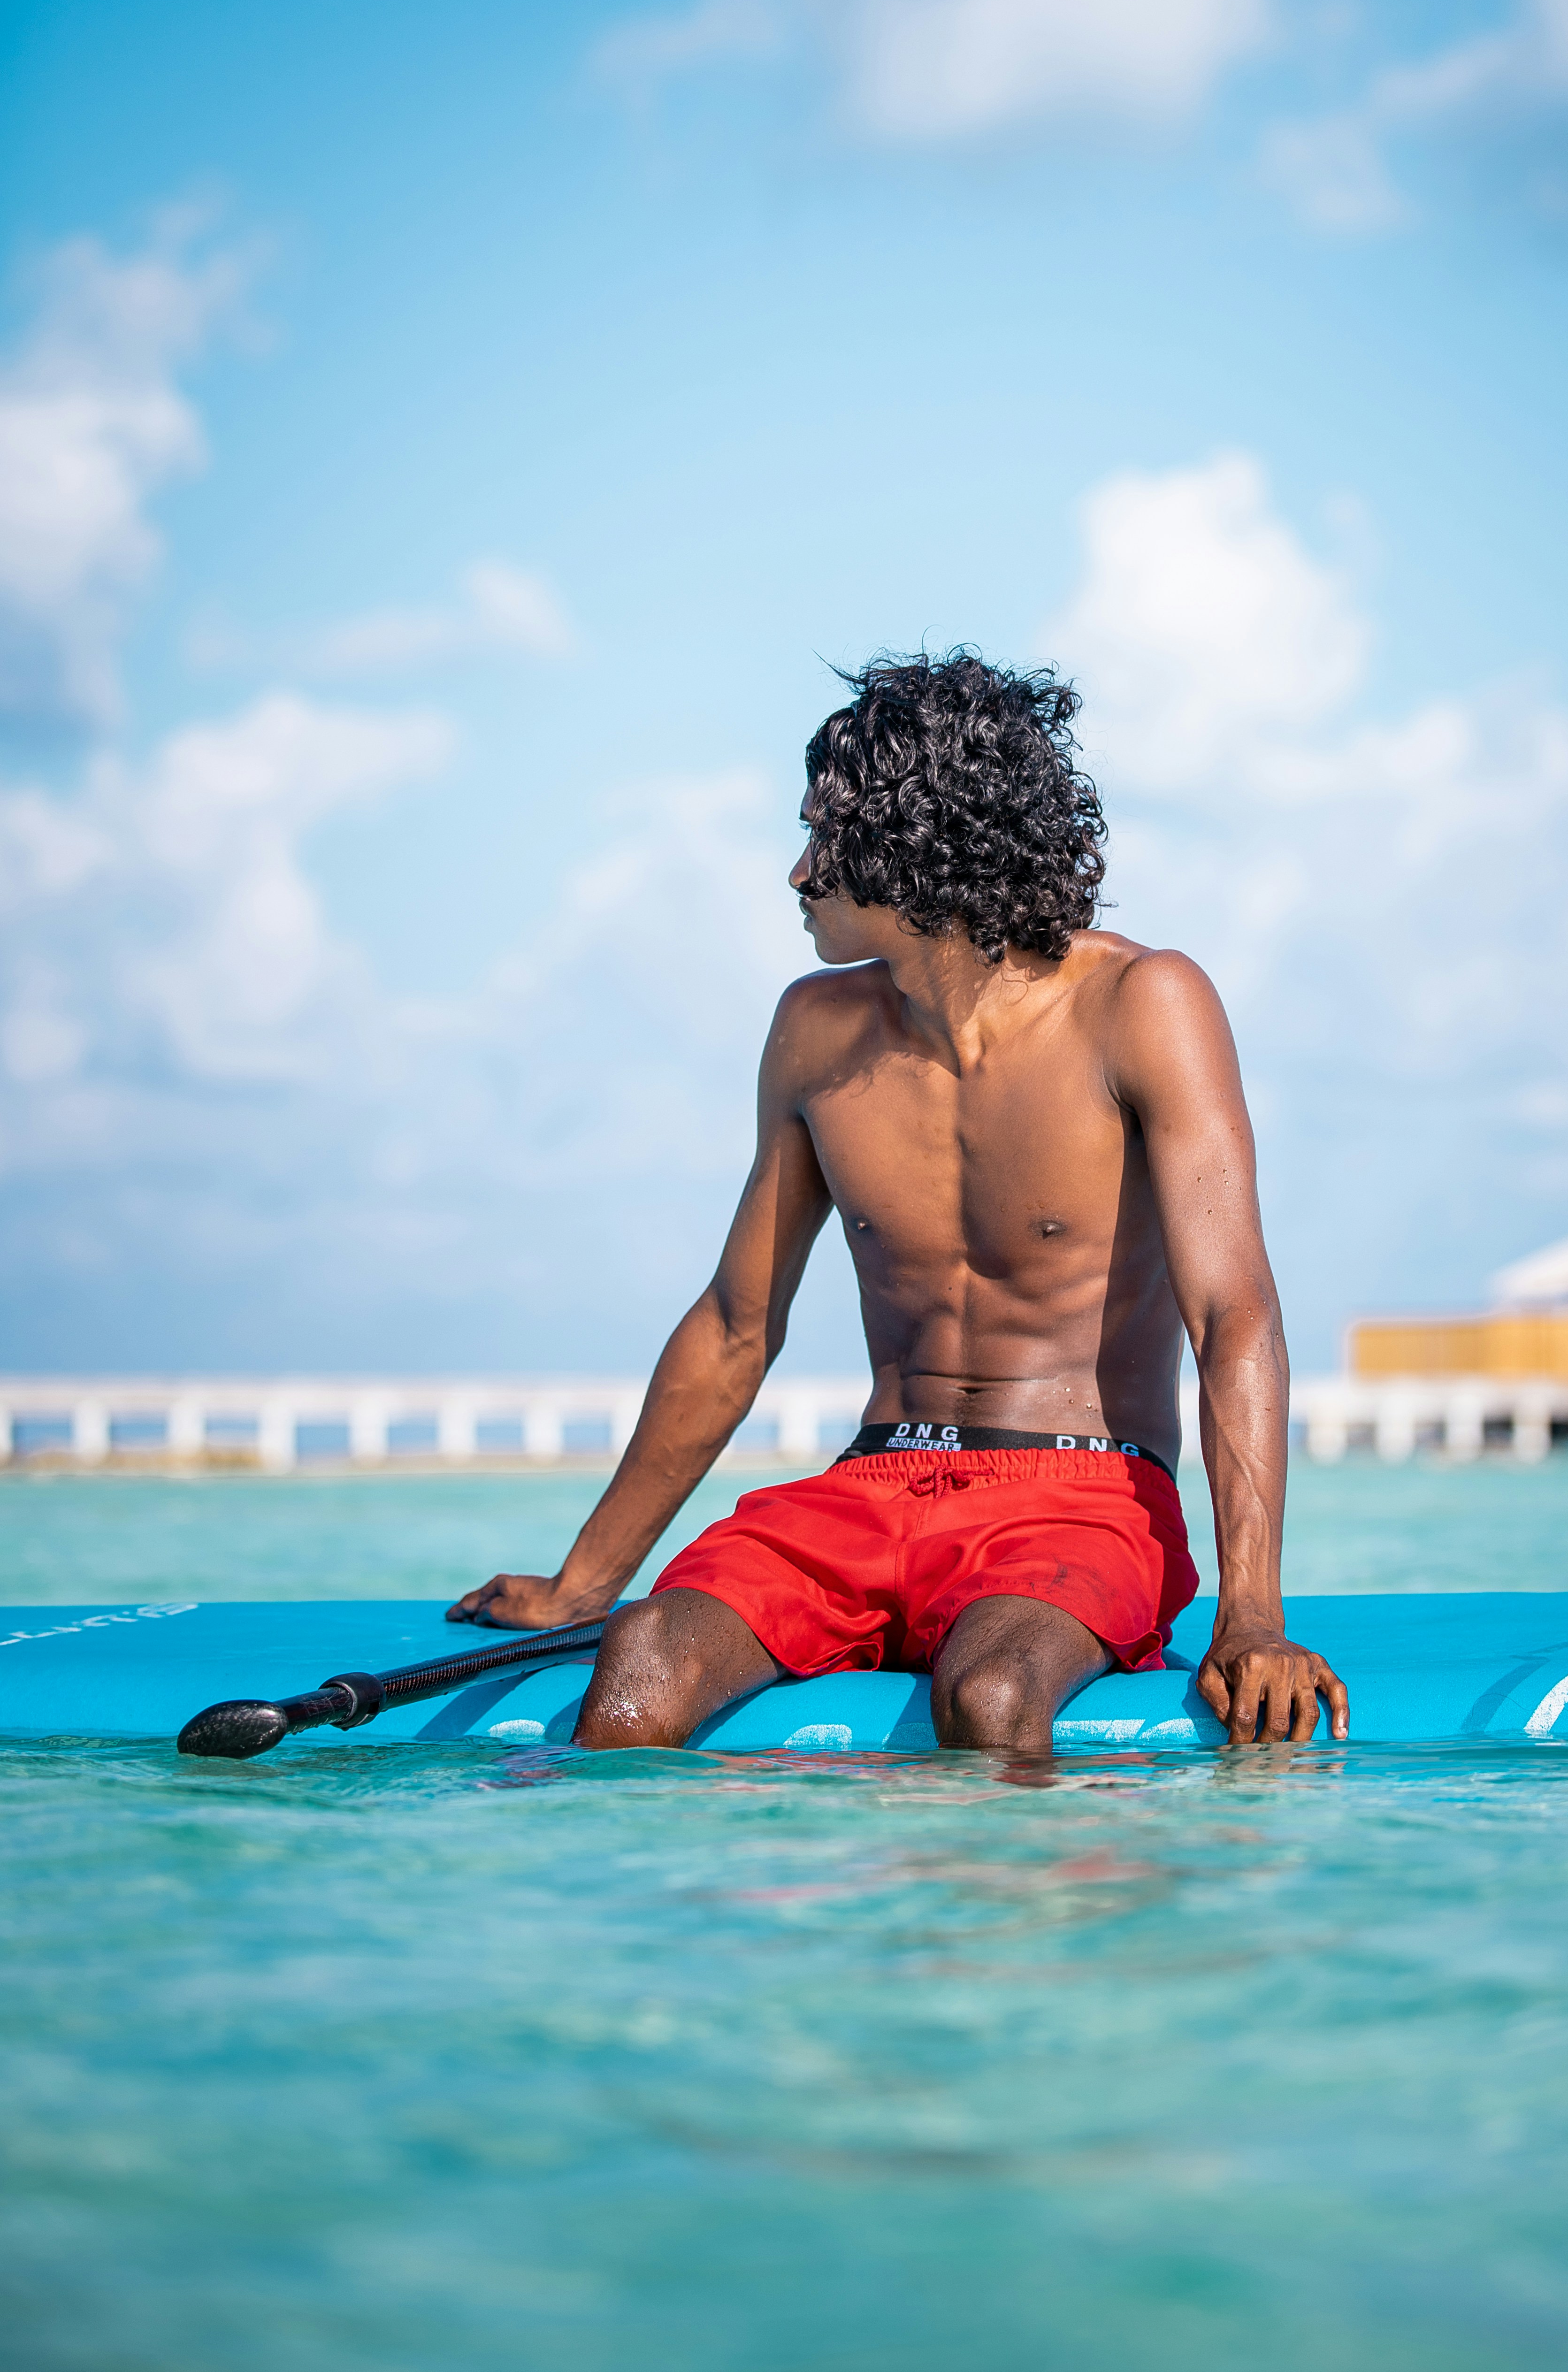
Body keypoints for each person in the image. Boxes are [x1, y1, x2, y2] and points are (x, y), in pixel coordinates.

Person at [451, 650, 1347, 1754]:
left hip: (1082, 1498)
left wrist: (1251, 1614)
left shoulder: (1142, 1004)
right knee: (641, 1663)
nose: (795, 875)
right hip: (872, 1485)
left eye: (823, 844)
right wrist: (584, 1584)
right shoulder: (815, 1032)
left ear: (909, 845)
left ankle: (969, 1927)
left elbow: (1235, 1315)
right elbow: (737, 1326)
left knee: (994, 1697)